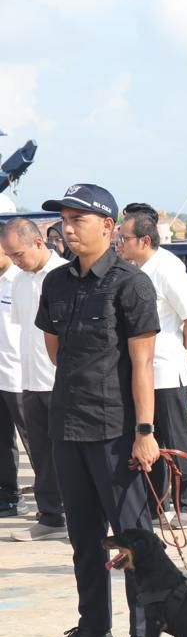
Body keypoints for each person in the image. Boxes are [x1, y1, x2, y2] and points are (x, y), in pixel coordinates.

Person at [33, 183, 160, 637]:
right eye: (64, 220)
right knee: (83, 538)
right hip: (67, 424)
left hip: (115, 431)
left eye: (78, 219)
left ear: (108, 226)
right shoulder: (57, 282)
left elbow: (143, 363)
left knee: (133, 542)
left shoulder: (130, 283)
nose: (67, 229)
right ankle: (92, 631)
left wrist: (144, 432)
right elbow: (54, 349)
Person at [118, 204, 187, 529]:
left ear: (144, 240)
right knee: (147, 439)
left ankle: (186, 504)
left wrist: (180, 349)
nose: (120, 245)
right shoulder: (131, 271)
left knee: (176, 441)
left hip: (167, 369)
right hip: (140, 371)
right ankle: (156, 503)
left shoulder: (167, 268)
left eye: (125, 238)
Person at [1, 218, 68, 540]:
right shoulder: (20, 281)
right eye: (11, 256)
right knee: (41, 454)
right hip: (28, 379)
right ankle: (51, 516)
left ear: (39, 243)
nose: (16, 262)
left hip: (61, 380)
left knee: (71, 453)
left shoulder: (66, 276)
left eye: (19, 255)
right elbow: (23, 331)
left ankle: (80, 514)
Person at [0, 235, 27, 519]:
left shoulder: (21, 280)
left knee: (36, 443)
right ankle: (8, 495)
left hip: (21, 375)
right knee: (2, 442)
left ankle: (53, 503)